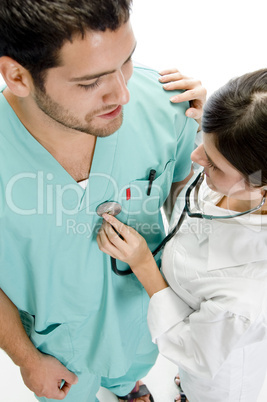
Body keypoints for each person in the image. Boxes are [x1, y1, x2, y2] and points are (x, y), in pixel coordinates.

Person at [0, 1, 207, 401]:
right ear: (18, 76)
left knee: (131, 370)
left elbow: (187, 206)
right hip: (54, 352)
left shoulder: (168, 107)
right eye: (90, 82)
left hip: (139, 319)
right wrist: (26, 359)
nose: (124, 94)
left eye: (127, 61)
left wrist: (217, 134)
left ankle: (128, 387)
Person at [97, 68, 267, 402]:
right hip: (205, 332)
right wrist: (213, 125)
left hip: (216, 375)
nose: (195, 156)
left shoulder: (247, 291)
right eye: (204, 139)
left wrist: (144, 264)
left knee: (203, 388)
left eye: (214, 164)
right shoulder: (242, 178)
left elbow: (193, 350)